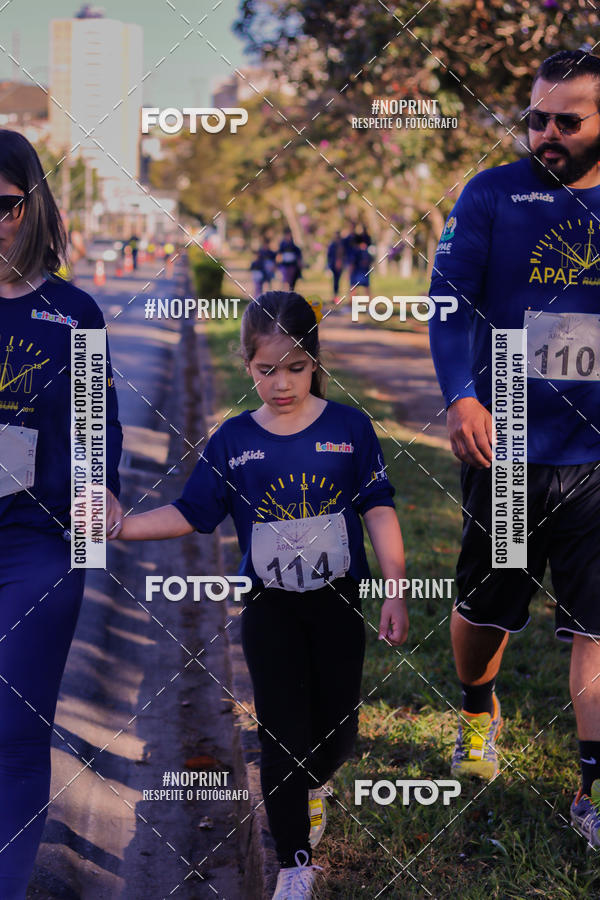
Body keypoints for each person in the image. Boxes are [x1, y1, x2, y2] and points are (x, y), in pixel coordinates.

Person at [113, 290, 408, 898]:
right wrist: (122, 525)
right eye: (266, 369)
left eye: (295, 367)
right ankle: (293, 866)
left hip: (337, 602)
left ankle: (315, 784)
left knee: (338, 729)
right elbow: (193, 511)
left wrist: (395, 589)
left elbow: (378, 508)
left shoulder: (350, 429)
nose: (281, 383)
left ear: (314, 361)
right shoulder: (232, 441)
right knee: (280, 736)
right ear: (247, 364)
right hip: (269, 607)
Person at [428, 50, 600, 847]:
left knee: (596, 628)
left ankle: (591, 792)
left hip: (595, 455)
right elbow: (448, 301)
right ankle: (475, 708)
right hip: (507, 447)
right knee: (488, 609)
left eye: (568, 120)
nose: (546, 133)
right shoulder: (494, 192)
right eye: (536, 116)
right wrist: (462, 394)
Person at [0, 129, 123, 898]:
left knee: (13, 733)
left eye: (4, 206)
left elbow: (94, 432)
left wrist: (100, 489)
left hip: (36, 547)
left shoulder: (74, 314)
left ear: (34, 205)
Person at [326, 230, 345, 302]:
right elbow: (329, 256)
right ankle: (334, 296)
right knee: (335, 281)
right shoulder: (332, 245)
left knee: (337, 281)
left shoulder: (341, 245)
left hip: (339, 266)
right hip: (333, 265)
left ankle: (336, 296)